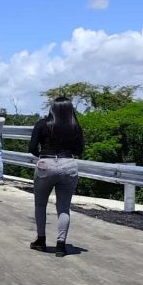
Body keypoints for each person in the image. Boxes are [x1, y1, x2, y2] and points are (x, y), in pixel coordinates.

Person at [28, 96, 84, 257]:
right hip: (68, 164)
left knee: (40, 204)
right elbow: (79, 150)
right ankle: (61, 245)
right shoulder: (75, 126)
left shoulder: (42, 124)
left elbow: (32, 147)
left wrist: (44, 155)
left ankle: (41, 240)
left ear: (52, 108)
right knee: (63, 207)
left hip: (46, 164)